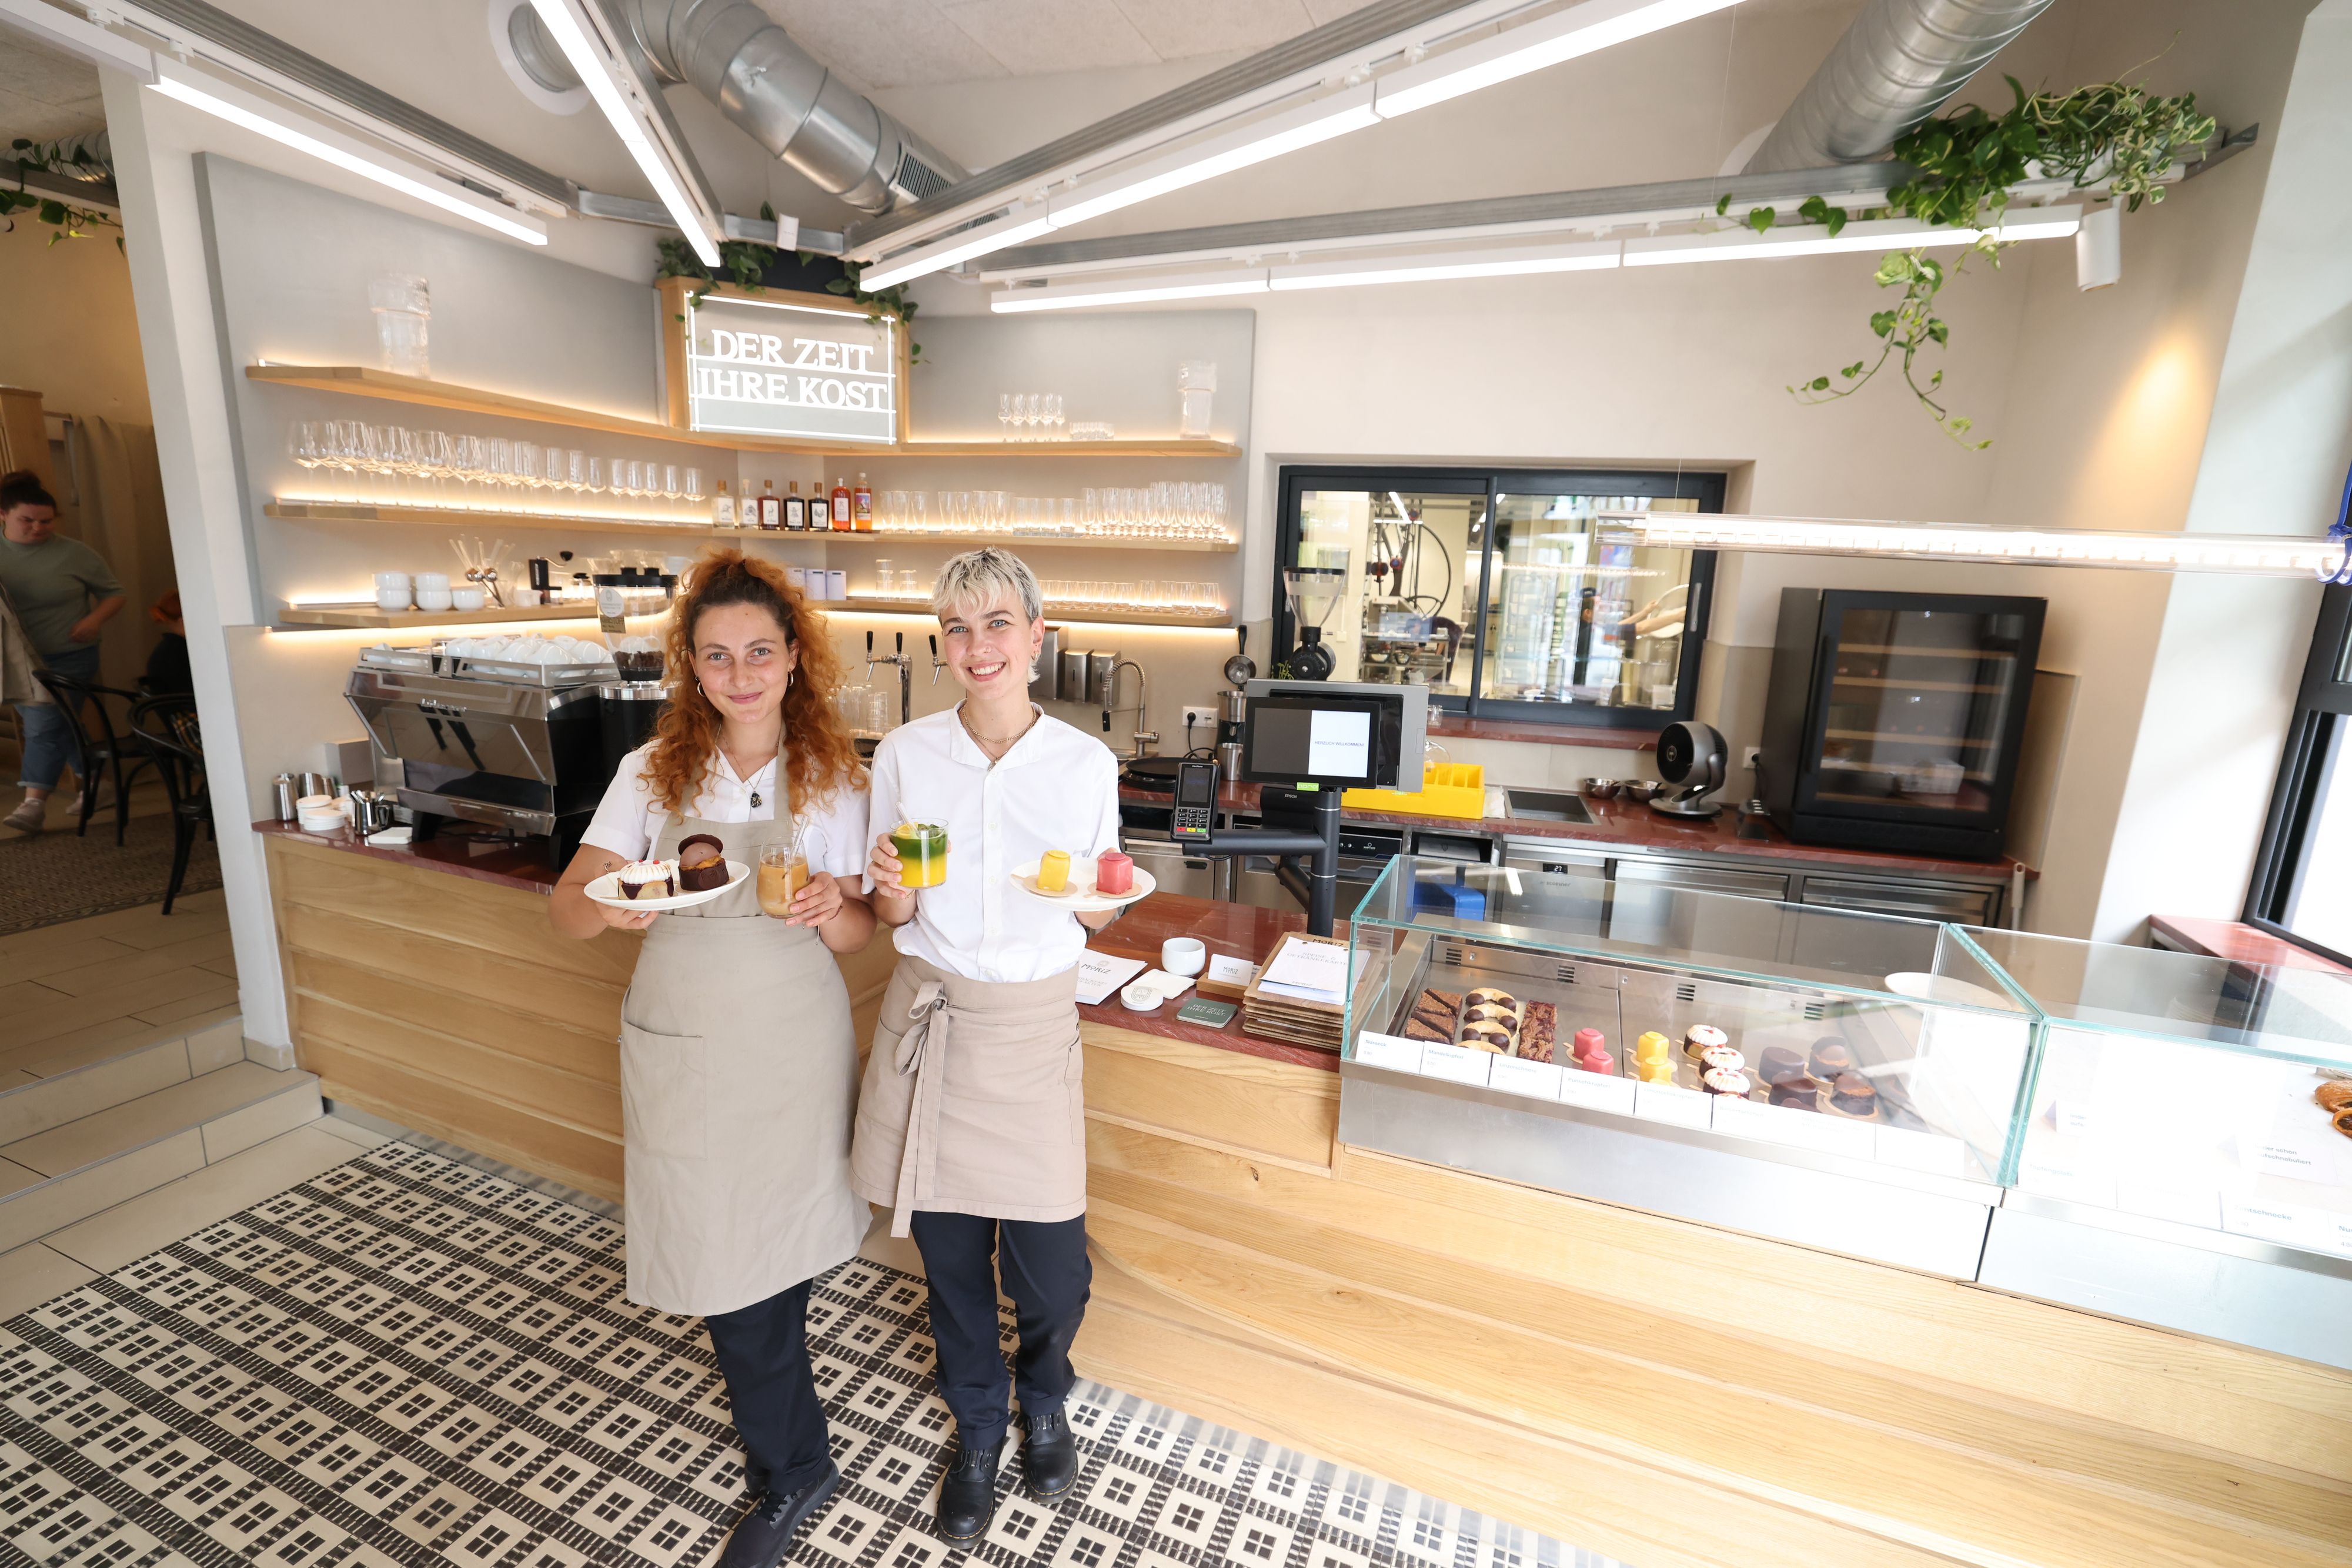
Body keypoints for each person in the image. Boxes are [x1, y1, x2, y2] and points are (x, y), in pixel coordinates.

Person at [550, 550, 873, 1568]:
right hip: (686, 1040)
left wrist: (834, 907)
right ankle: (794, 1464)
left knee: (770, 1251)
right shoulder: (651, 774)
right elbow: (570, 911)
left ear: (793, 663)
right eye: (718, 654)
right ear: (691, 666)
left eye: (760, 652)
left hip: (792, 1040)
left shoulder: (834, 776)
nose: (740, 672)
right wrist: (621, 896)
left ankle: (789, 1464)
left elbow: (865, 929)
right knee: (729, 1262)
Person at [850, 547, 1125, 1544]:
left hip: (1032, 1029)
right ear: (942, 646)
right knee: (953, 1260)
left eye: (998, 623)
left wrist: (1098, 897)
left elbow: (1095, 914)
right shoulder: (906, 756)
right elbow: (891, 913)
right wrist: (888, 878)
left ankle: (1043, 1391)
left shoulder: (1086, 766)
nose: (979, 646)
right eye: (958, 629)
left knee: (1056, 1269)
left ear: (1036, 638)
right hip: (936, 1022)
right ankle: (977, 1425)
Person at [1, 469, 124, 833]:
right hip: (17, 660)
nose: (38, 528)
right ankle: (97, 782)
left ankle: (33, 804)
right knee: (59, 723)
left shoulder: (75, 553)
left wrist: (95, 620)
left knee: (43, 725)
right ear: (4, 514)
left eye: (46, 521)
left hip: (71, 654)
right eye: (28, 521)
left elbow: (115, 594)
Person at [141, 590, 193, 696]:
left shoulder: (168, 648)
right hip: (184, 707)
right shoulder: (180, 652)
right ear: (184, 621)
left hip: (171, 708)